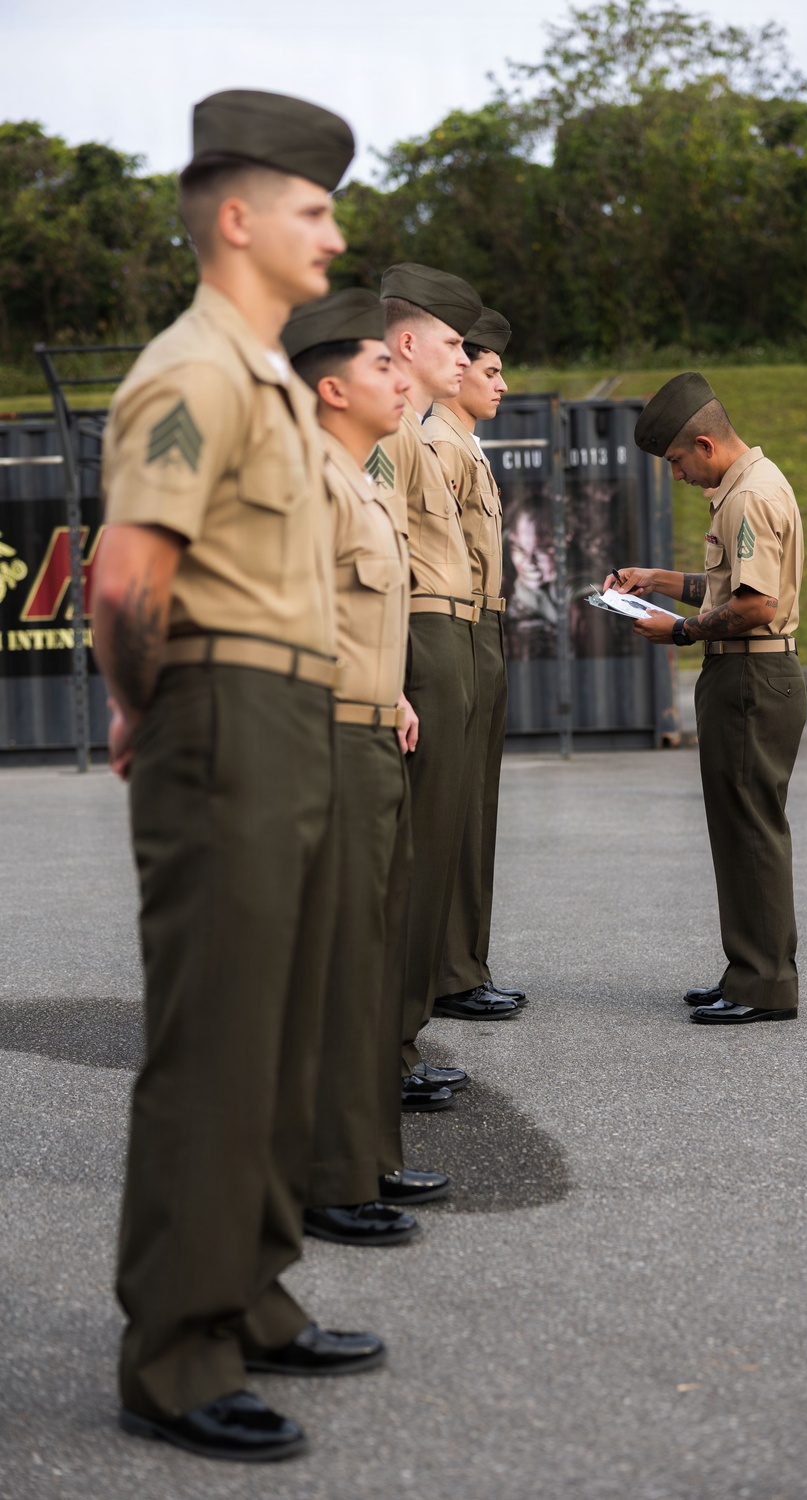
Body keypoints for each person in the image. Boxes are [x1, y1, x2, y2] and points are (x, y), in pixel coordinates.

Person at [92, 90, 383, 1464]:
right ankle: (175, 1350)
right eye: (316, 211)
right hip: (226, 719)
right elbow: (126, 578)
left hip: (288, 717)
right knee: (216, 1043)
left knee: (277, 1029)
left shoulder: (261, 372)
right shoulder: (193, 371)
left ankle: (252, 1292)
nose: (333, 237)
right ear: (238, 218)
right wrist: (155, 714)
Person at [282, 288, 450, 1249]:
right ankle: (328, 1176)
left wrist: (389, 692)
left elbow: (350, 620)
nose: (404, 376)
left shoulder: (359, 479)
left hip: (371, 734)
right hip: (327, 747)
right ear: (334, 387)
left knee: (371, 961)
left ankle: (364, 1156)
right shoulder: (310, 483)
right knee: (338, 970)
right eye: (383, 366)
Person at [604, 371, 806, 1025]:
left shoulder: (747, 498)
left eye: (675, 461)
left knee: (751, 831)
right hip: (747, 676)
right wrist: (658, 580)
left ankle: (763, 983)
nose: (678, 475)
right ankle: (749, 971)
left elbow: (755, 606)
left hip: (750, 677)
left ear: (703, 443)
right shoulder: (751, 484)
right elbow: (729, 587)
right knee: (742, 828)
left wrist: (679, 631)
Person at [375, 263, 519, 1112]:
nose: (468, 361)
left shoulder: (425, 434)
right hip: (432, 631)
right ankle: (387, 1044)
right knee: (417, 851)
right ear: (408, 344)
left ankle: (399, 1036)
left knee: (441, 839)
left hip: (456, 626)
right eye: (457, 344)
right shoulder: (409, 434)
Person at [423, 308, 527, 1017]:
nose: (501, 384)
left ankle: (467, 961)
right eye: (489, 369)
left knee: (476, 808)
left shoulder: (465, 445)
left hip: (482, 626)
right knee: (453, 811)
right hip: (457, 627)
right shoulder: (439, 444)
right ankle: (450, 971)